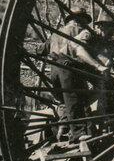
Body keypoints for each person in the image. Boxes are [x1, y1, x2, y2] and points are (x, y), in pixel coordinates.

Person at [46, 9, 110, 143]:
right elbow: (82, 50)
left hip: (54, 70)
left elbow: (42, 49)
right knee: (78, 98)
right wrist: (98, 66)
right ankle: (80, 132)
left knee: (66, 100)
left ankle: (64, 128)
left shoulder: (54, 34)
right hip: (70, 67)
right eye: (85, 21)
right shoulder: (79, 31)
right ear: (79, 20)